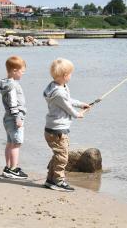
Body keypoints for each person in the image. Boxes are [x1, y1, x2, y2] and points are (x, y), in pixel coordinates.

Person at [43, 58, 90, 192]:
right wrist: (78, 114)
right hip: (57, 131)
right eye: (70, 73)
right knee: (62, 156)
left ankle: (50, 180)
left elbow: (68, 100)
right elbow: (67, 107)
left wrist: (81, 104)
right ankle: (58, 180)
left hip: (55, 129)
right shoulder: (58, 93)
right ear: (65, 76)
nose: (71, 76)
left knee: (58, 154)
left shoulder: (58, 86)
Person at [0, 56, 28, 179]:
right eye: (22, 71)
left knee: (10, 143)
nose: (23, 74)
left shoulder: (6, 83)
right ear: (15, 70)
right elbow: (12, 103)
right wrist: (18, 118)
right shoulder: (12, 86)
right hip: (13, 118)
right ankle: (13, 169)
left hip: (7, 118)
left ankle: (8, 167)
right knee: (16, 144)